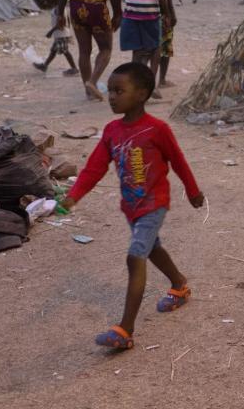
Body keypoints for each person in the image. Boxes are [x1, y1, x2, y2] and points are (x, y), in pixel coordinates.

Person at [59, 62, 204, 350]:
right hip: (132, 207)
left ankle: (125, 330)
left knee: (135, 255)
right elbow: (94, 168)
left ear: (141, 94)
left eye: (118, 91)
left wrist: (193, 191)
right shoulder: (112, 130)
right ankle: (179, 284)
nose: (111, 97)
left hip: (154, 204)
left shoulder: (157, 129)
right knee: (152, 248)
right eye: (110, 91)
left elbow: (178, 160)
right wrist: (73, 195)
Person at [57, 0, 121, 101]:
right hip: (97, 8)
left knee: (84, 51)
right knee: (105, 48)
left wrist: (59, 14)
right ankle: (92, 81)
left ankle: (88, 90)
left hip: (76, 8)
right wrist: (118, 14)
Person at [34, 0, 79, 76]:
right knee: (53, 51)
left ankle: (74, 68)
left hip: (61, 34)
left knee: (65, 51)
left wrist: (50, 32)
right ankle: (45, 66)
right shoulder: (59, 7)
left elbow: (61, 23)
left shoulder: (59, 8)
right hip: (61, 34)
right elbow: (67, 21)